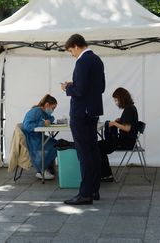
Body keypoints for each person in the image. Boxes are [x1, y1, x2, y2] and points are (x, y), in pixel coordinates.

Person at [61, 33, 105, 205]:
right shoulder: (97, 60)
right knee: (93, 151)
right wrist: (75, 86)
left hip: (81, 113)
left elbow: (80, 91)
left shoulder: (82, 61)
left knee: (84, 154)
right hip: (93, 111)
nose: (72, 54)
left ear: (76, 46)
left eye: (71, 50)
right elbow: (100, 87)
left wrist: (68, 88)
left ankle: (85, 193)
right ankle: (94, 189)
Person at [99, 87, 138, 182]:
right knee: (99, 146)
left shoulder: (128, 110)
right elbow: (128, 124)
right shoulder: (131, 108)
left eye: (116, 100)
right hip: (128, 140)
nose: (116, 102)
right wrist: (120, 121)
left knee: (98, 147)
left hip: (126, 142)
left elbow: (127, 128)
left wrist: (115, 124)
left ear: (122, 98)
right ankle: (106, 174)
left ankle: (106, 175)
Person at [22, 94, 58, 180]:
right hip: (32, 139)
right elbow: (27, 126)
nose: (52, 110)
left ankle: (47, 168)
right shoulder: (35, 111)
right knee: (55, 146)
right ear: (47, 105)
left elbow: (51, 118)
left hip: (37, 137)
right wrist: (42, 123)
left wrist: (49, 120)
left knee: (56, 144)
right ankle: (41, 170)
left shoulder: (42, 112)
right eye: (52, 108)